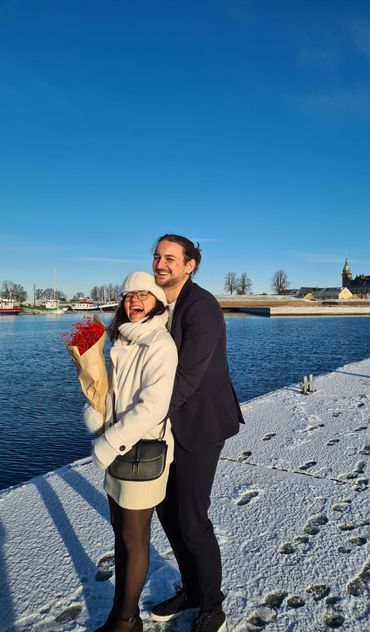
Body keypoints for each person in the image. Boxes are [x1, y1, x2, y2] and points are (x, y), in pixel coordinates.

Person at [150, 234, 244, 632]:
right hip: (170, 423)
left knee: (191, 518)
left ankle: (213, 604)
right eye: (157, 256)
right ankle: (191, 588)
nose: (160, 263)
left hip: (199, 423)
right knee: (167, 512)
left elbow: (189, 375)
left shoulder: (201, 306)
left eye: (170, 258)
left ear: (190, 265)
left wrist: (149, 419)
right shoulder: (161, 304)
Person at [85, 271, 178, 632]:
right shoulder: (124, 340)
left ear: (157, 302)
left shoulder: (159, 343)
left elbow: (152, 408)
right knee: (120, 534)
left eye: (144, 294)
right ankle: (122, 614)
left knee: (134, 539)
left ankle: (124, 620)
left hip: (141, 452)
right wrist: (99, 409)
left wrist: (108, 443)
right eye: (128, 296)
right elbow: (117, 395)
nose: (134, 300)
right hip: (119, 449)